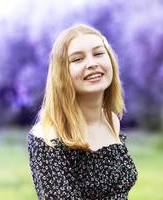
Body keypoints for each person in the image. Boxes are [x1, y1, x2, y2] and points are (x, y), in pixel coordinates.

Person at [27, 24, 138, 200]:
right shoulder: (47, 137)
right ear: (62, 73)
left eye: (98, 53)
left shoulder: (111, 120)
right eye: (77, 59)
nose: (92, 64)